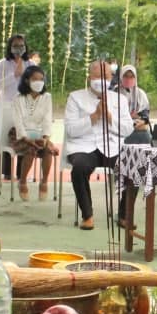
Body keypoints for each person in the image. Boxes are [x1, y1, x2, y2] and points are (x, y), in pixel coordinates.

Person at [63, 59, 133, 230]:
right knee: (79, 167)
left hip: (112, 145)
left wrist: (110, 118)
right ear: (89, 77)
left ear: (111, 78)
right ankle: (87, 215)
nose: (102, 79)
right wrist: (94, 117)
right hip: (84, 146)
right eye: (97, 76)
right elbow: (71, 130)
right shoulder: (75, 97)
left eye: (106, 76)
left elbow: (127, 129)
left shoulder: (120, 100)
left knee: (134, 167)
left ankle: (125, 215)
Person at [7, 63, 58, 201]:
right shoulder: (18, 99)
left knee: (47, 148)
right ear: (27, 80)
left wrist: (46, 137)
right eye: (35, 79)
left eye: (41, 79)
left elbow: (48, 119)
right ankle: (22, 181)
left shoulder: (47, 97)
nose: (39, 82)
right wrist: (25, 137)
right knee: (31, 148)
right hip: (19, 134)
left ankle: (44, 181)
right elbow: (18, 121)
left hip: (40, 133)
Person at [0, 34, 28, 179]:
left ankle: (21, 173)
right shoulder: (3, 63)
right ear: (10, 47)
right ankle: (6, 173)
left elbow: (35, 84)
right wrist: (14, 75)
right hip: (6, 105)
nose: (18, 49)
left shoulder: (30, 64)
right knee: (6, 137)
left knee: (22, 136)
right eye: (15, 46)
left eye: (21, 45)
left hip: (24, 106)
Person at [117, 64, 151, 143]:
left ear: (135, 78)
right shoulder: (115, 92)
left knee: (145, 134)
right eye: (126, 76)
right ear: (121, 77)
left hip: (136, 126)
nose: (129, 79)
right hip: (119, 125)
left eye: (131, 77)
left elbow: (145, 115)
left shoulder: (140, 94)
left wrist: (142, 121)